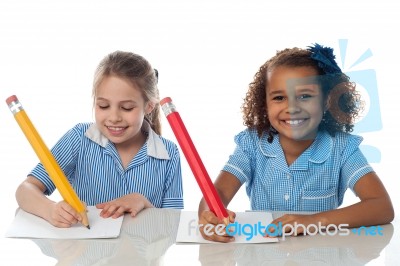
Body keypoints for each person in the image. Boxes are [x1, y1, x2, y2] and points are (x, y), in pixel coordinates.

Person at [198, 43, 394, 242]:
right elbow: (219, 192)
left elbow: (381, 206)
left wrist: (313, 222)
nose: (291, 107)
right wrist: (209, 215)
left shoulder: (342, 149)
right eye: (279, 97)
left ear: (327, 100)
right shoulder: (251, 144)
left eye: (305, 96)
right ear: (264, 103)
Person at [16, 51, 184, 228]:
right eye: (103, 105)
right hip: (86, 253)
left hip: (141, 255)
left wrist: (144, 203)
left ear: (149, 106)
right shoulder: (78, 139)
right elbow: (25, 189)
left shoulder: (169, 154)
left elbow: (173, 226)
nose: (114, 117)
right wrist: (50, 209)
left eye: (126, 108)